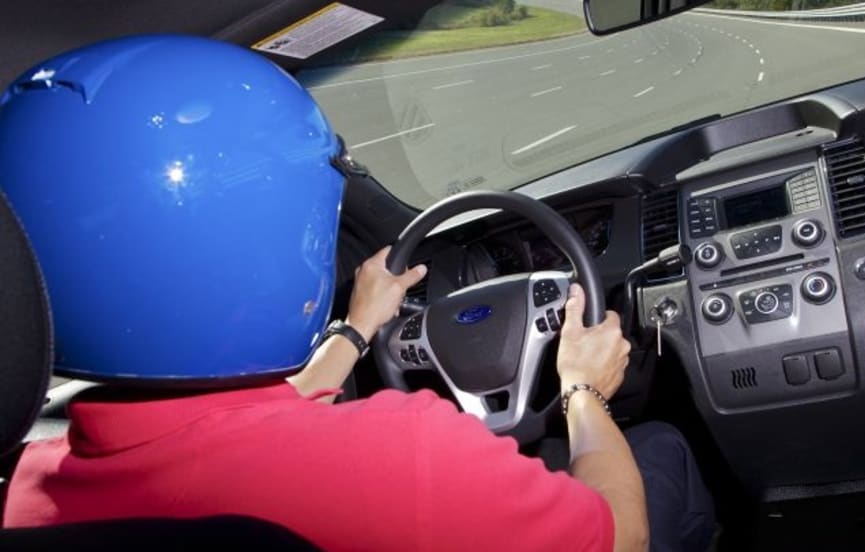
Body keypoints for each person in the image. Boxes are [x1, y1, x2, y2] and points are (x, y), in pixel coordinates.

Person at [0, 35, 713, 551]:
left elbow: (242, 430)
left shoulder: (23, 486)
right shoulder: (400, 455)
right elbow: (620, 535)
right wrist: (583, 390)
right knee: (663, 446)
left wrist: (357, 327)